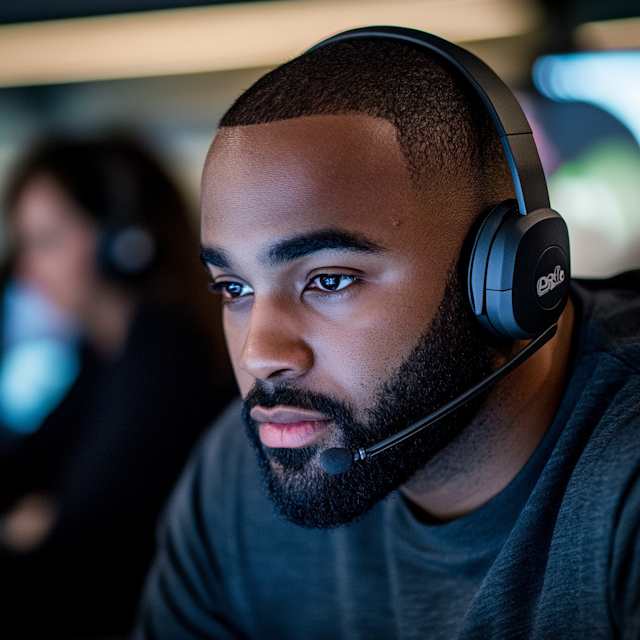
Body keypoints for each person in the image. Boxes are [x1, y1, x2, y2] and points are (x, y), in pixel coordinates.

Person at [135, 27, 640, 639]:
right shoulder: (243, 471)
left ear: (508, 279)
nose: (260, 357)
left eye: (327, 281)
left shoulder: (623, 477)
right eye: (233, 288)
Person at [0, 136, 234, 639]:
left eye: (47, 241)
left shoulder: (167, 354)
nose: (27, 270)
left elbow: (77, 540)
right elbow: (16, 470)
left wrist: (44, 520)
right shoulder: (101, 354)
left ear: (120, 240)